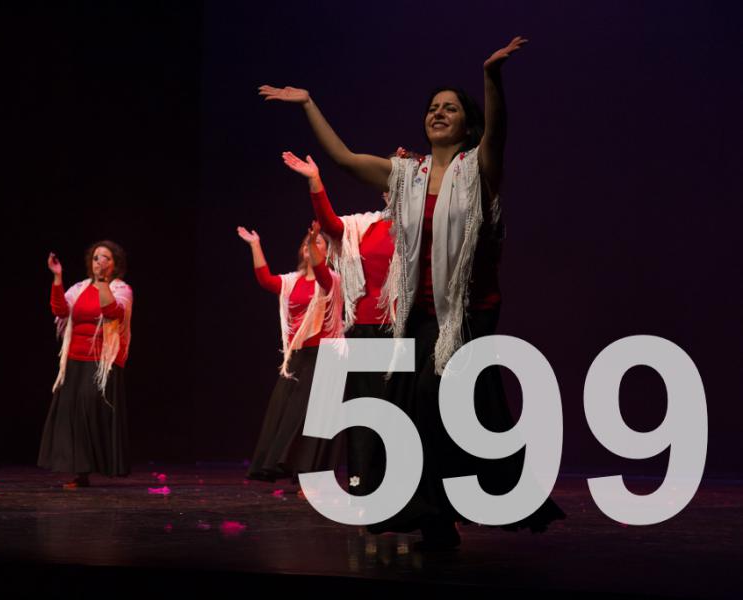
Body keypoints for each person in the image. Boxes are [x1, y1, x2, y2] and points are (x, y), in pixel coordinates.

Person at [260, 36, 564, 548]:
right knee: (413, 408)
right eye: (432, 108)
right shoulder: (407, 175)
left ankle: (456, 503)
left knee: (434, 397)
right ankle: (434, 517)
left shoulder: (479, 170)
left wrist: (491, 76)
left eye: (450, 108)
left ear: (467, 124)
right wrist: (308, 103)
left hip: (468, 314)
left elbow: (499, 132)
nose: (438, 113)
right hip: (420, 314)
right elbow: (343, 158)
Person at [281, 151, 395, 496]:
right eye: (391, 185)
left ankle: (404, 485)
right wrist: (315, 181)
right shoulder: (366, 225)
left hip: (407, 327)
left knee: (403, 411)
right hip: (366, 328)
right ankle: (363, 484)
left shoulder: (427, 227)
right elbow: (331, 226)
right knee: (364, 411)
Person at [237, 222, 344, 483]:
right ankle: (277, 465)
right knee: (284, 412)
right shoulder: (292, 281)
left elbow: (320, 271)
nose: (311, 245)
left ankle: (308, 475)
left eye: (318, 243)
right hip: (298, 355)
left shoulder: (330, 279)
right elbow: (266, 280)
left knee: (309, 418)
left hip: (324, 355)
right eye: (308, 243)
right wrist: (255, 245)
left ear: (327, 253)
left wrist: (315, 236)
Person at [38, 240, 133, 488]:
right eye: (96, 257)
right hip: (74, 359)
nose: (99, 262)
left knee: (92, 410)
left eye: (105, 258)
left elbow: (112, 311)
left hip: (102, 362)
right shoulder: (79, 288)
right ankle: (80, 473)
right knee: (73, 414)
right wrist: (57, 277)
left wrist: (102, 282)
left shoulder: (121, 289)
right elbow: (60, 310)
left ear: (115, 264)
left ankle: (102, 465)